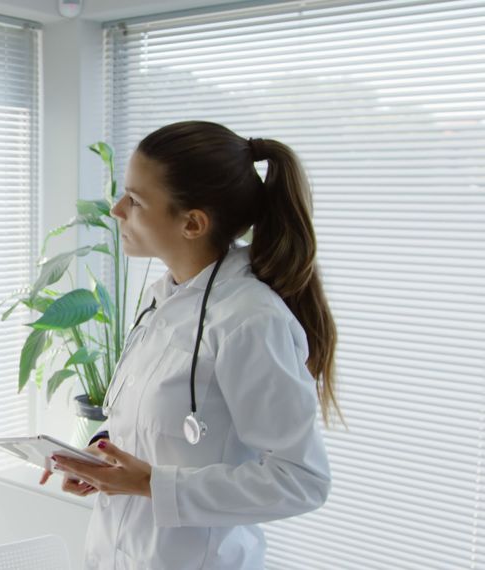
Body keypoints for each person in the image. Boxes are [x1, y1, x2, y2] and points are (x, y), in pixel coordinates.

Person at [42, 121, 339, 569]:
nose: (116, 209)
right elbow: (165, 424)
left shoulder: (250, 321)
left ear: (193, 223)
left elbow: (301, 480)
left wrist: (152, 485)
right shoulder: (163, 297)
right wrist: (102, 456)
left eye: (136, 200)